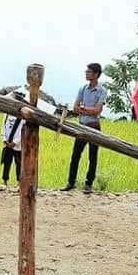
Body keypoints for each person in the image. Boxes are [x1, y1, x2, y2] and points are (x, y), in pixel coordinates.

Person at [60, 63, 107, 195]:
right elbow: (75, 108)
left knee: (92, 157)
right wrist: (87, 110)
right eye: (86, 71)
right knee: (75, 155)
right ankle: (71, 182)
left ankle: (88, 184)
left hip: (93, 126)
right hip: (81, 126)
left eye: (89, 71)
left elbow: (98, 110)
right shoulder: (83, 89)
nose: (86, 73)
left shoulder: (102, 90)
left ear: (96, 74)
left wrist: (83, 108)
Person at [0, 100, 24, 190]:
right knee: (6, 163)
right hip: (7, 143)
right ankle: (5, 181)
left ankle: (19, 182)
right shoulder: (6, 115)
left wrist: (15, 142)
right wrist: (5, 140)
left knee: (19, 164)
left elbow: (22, 131)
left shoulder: (22, 117)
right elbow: (3, 128)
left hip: (17, 145)